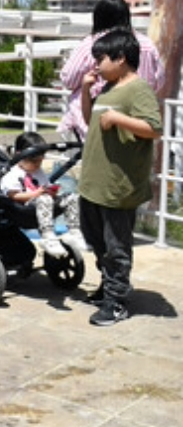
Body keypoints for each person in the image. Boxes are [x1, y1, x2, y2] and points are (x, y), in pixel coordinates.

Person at [78, 29, 162, 326]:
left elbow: (153, 127)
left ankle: (117, 302)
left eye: (100, 58)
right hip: (93, 184)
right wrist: (87, 93)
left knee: (116, 247)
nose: (96, 65)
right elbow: (91, 123)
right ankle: (109, 286)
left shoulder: (138, 89)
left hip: (117, 187)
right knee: (96, 240)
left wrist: (119, 119)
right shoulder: (108, 87)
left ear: (121, 57)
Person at [58, 0, 163, 140]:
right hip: (137, 120)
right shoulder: (147, 45)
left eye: (100, 60)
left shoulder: (91, 44)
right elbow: (158, 82)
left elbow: (68, 79)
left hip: (95, 122)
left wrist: (88, 84)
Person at [0, 131, 81, 257]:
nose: (37, 165)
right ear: (19, 156)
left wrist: (52, 191)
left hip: (43, 205)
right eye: (34, 162)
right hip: (24, 209)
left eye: (40, 162)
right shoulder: (12, 174)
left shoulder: (38, 171)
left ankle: (74, 231)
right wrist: (36, 194)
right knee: (44, 199)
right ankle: (47, 236)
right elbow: (13, 196)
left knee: (72, 197)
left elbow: (45, 186)